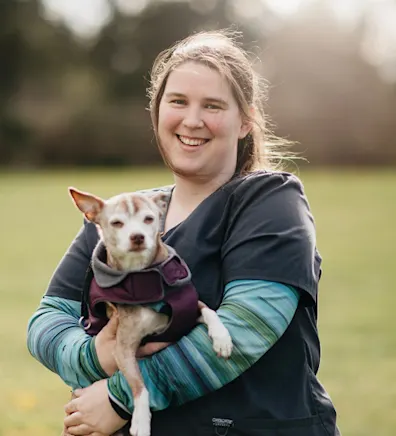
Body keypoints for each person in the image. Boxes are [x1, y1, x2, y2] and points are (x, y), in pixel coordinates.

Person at [27, 29, 341, 436]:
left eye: (212, 105)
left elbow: (248, 328)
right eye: (178, 102)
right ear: (157, 111)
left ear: (245, 121)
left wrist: (122, 397)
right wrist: (94, 356)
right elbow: (46, 322)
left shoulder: (270, 201)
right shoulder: (122, 214)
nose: (192, 120)